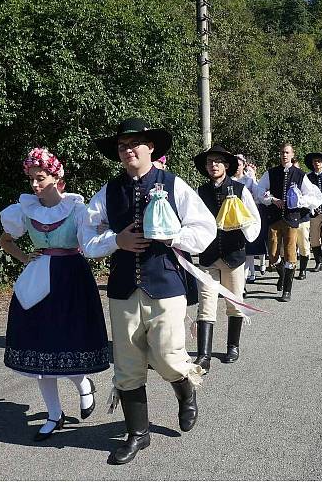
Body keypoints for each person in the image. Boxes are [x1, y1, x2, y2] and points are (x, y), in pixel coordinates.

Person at [84, 118, 217, 465]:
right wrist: (117, 240)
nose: (128, 150)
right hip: (123, 288)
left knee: (169, 357)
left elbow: (205, 228)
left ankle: (185, 391)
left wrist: (171, 238)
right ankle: (137, 434)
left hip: (166, 284)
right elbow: (86, 237)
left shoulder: (173, 184)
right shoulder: (109, 191)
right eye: (122, 146)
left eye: (134, 144)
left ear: (150, 148)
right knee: (127, 366)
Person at [0, 147, 110, 442]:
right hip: (37, 282)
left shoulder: (76, 210)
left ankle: (83, 384)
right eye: (32, 179)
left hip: (71, 278)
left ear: (56, 176)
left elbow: (93, 244)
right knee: (40, 349)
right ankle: (53, 414)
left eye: (41, 178)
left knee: (66, 342)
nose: (35, 185)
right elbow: (5, 240)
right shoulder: (24, 209)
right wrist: (25, 259)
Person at [192, 145, 261, 372]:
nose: (213, 165)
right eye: (210, 161)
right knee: (206, 304)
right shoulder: (200, 192)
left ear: (226, 165)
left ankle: (233, 346)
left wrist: (244, 231)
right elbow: (191, 219)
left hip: (233, 256)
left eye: (218, 161)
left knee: (234, 303)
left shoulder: (241, 190)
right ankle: (204, 356)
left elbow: (253, 220)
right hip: (208, 257)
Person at [256, 143, 322, 302]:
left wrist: (299, 201)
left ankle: (287, 290)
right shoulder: (270, 173)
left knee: (290, 253)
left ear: (292, 154)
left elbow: (314, 196)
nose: (284, 155)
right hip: (274, 219)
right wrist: (272, 199)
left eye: (287, 152)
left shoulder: (300, 174)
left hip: (292, 219)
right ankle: (283, 274)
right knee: (272, 255)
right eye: (282, 152)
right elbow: (259, 192)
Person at [233, 154, 267, 283]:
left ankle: (247, 276)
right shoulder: (229, 180)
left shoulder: (249, 180)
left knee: (249, 249)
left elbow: (258, 195)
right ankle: (244, 276)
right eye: (235, 165)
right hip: (233, 219)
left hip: (247, 217)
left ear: (243, 166)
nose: (237, 167)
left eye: (239, 165)